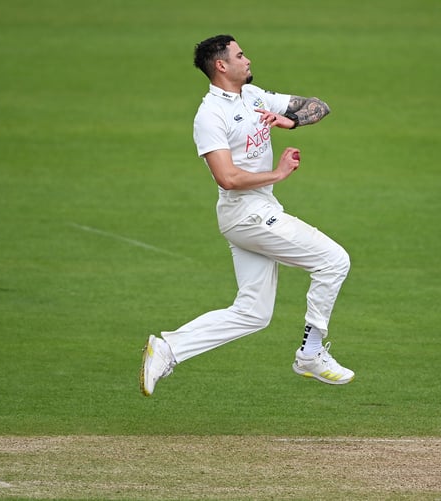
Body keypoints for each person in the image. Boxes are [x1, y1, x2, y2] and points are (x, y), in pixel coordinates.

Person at [139, 34, 354, 396]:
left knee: (253, 313)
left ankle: (168, 349)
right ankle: (310, 353)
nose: (248, 59)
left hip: (258, 212)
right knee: (334, 261)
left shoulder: (254, 97)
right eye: (240, 55)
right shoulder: (210, 114)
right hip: (246, 214)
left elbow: (320, 105)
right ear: (222, 65)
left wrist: (293, 121)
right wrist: (278, 174)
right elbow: (228, 178)